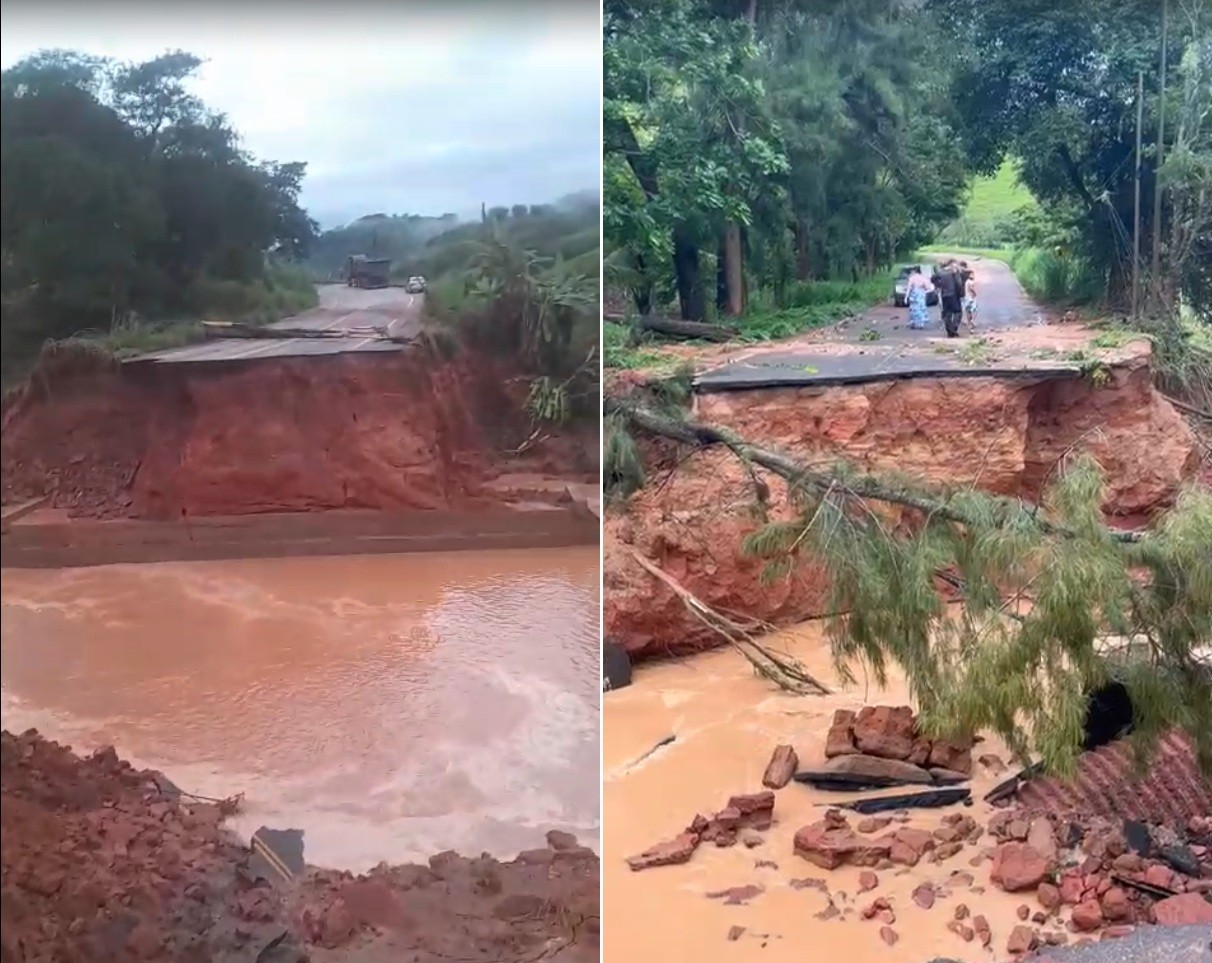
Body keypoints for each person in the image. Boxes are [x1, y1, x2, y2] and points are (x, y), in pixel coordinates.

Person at [931, 259, 965, 338]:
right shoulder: (954, 272)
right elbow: (959, 283)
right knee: (958, 312)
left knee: (947, 313)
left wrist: (939, 285)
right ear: (951, 264)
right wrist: (961, 294)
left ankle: (949, 331)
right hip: (954, 294)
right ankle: (953, 329)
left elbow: (932, 278)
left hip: (944, 295)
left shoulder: (940, 272)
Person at [906, 265, 933, 330]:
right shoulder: (923, 277)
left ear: (914, 271)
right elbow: (928, 287)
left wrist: (906, 296)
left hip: (914, 294)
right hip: (921, 293)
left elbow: (909, 288)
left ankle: (914, 322)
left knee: (914, 308)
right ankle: (921, 323)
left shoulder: (912, 278)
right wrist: (924, 290)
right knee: (921, 307)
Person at [962, 266, 978, 332]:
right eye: (972, 274)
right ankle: (971, 322)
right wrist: (975, 293)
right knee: (974, 310)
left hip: (967, 298)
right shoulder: (970, 282)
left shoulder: (966, 282)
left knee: (968, 311)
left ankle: (969, 323)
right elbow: (971, 289)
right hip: (971, 298)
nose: (973, 276)